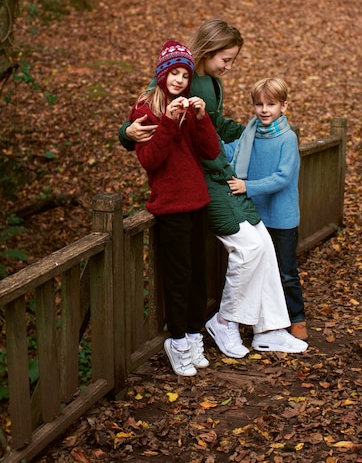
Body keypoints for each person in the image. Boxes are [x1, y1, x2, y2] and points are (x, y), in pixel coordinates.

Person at [119, 19, 308, 358]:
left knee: (263, 245)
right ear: (208, 50)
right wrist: (124, 133)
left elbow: (214, 125)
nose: (229, 66)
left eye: (233, 59)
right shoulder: (182, 75)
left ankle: (270, 329)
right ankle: (225, 322)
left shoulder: (211, 83)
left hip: (214, 178)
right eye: (226, 58)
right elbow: (148, 106)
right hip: (202, 183)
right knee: (249, 249)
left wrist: (256, 130)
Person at [128, 40, 220, 376]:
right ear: (162, 73)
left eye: (185, 74)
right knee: (178, 275)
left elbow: (210, 152)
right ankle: (177, 340)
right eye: (174, 72)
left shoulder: (188, 106)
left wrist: (201, 117)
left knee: (198, 273)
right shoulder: (145, 110)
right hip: (170, 204)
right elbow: (151, 160)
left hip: (197, 199)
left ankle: (194, 335)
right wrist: (167, 122)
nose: (179, 79)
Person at [223, 77, 307, 340]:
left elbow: (282, 177)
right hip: (255, 215)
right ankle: (262, 319)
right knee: (259, 268)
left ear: (284, 106)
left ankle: (296, 317)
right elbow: (229, 152)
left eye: (271, 104)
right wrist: (206, 139)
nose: (264, 110)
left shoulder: (287, 139)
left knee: (285, 271)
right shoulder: (250, 134)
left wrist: (248, 186)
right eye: (259, 104)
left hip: (282, 218)